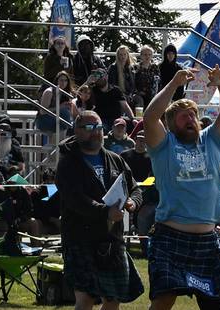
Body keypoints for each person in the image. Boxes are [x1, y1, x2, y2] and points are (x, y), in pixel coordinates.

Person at [142, 66, 220, 309]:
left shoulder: (211, 140)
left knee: (213, 304)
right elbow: (149, 117)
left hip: (209, 240)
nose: (190, 119)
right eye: (184, 116)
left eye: (193, 115)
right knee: (163, 301)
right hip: (170, 237)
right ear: (171, 124)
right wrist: (173, 85)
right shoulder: (163, 145)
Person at [56, 110, 144, 309]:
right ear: (77, 131)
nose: (95, 132)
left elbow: (135, 188)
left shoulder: (115, 159)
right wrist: (106, 211)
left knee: (113, 301)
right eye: (88, 128)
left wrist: (132, 202)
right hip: (80, 238)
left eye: (98, 127)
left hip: (112, 239)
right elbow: (75, 200)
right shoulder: (68, 163)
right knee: (85, 299)